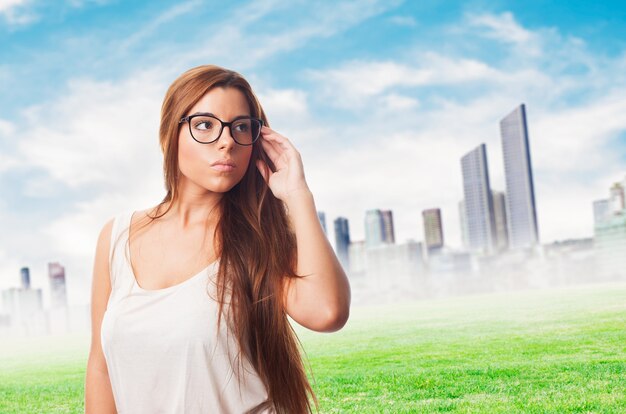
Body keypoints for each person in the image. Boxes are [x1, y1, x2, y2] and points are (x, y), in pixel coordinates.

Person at [84, 64, 351, 413]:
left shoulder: (258, 237)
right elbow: (101, 368)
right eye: (205, 125)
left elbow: (327, 312)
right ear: (169, 134)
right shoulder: (116, 237)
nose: (227, 141)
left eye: (241, 127)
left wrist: (298, 194)